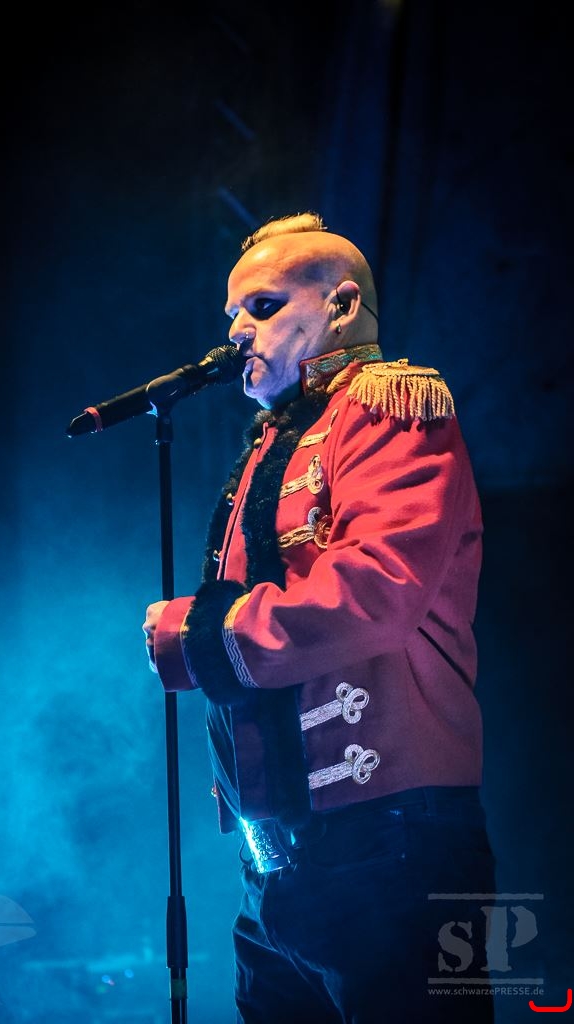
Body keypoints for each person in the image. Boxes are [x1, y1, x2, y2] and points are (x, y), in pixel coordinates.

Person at [142, 212, 496, 1023]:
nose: (237, 330)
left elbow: (375, 587)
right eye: (232, 313)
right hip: (277, 858)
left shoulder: (393, 406)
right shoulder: (274, 442)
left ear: (341, 306)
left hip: (393, 838)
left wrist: (196, 637)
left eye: (262, 307)